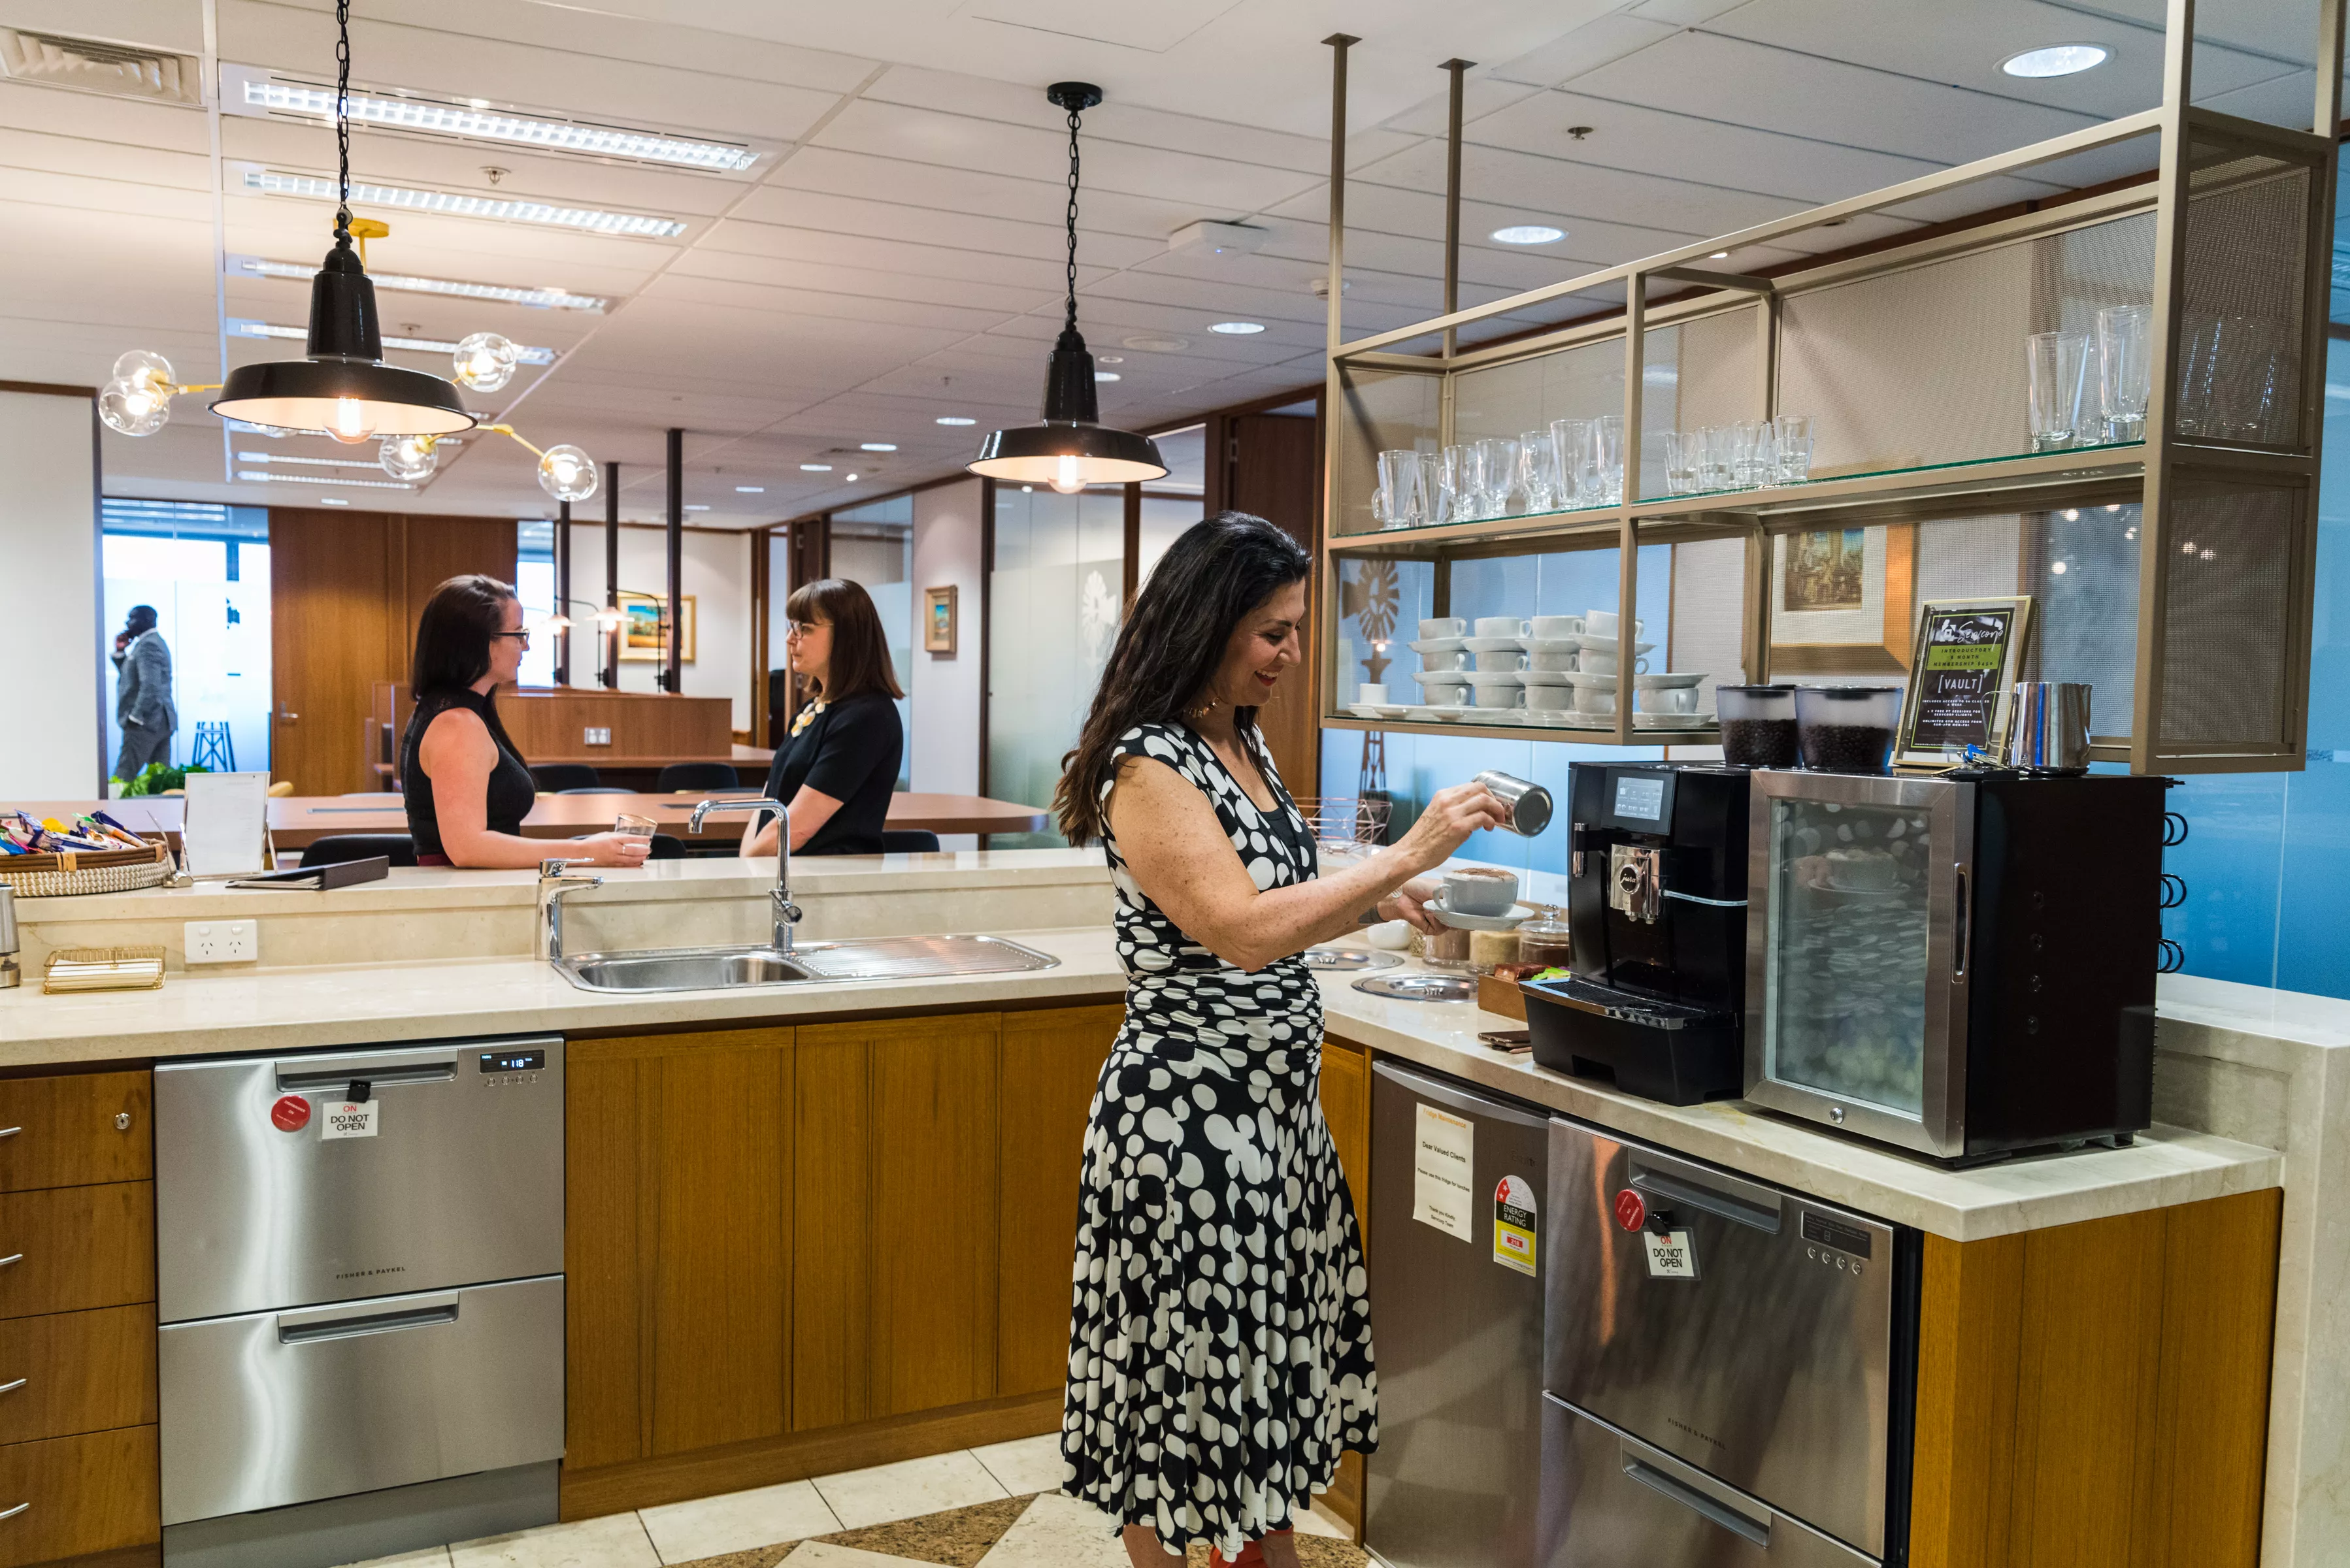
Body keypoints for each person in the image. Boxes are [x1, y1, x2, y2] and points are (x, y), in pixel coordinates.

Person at [1051, 512, 1509, 1565]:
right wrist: (1402, 856)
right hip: (1188, 1140)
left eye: (1297, 629)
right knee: (1179, 1413)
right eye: (1273, 631)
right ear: (1208, 624)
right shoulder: (1148, 765)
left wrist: (1380, 905)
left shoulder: (1238, 739)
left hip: (1272, 1131)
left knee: (1249, 1409)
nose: (1292, 653)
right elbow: (1242, 932)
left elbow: (1275, 904)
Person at [402, 575, 648, 870]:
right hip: (463, 899)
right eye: (518, 634)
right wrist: (586, 852)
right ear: (481, 642)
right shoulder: (457, 724)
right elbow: (468, 847)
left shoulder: (454, 710)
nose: (525, 646)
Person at [742, 578, 904, 858]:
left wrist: (743, 870)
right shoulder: (812, 710)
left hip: (830, 884)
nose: (790, 638)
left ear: (846, 635)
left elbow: (798, 828)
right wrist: (744, 862)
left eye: (804, 628)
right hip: (786, 875)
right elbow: (768, 806)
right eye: (792, 626)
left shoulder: (867, 717)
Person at [111, 604, 176, 783]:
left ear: (146, 621)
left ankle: (111, 812)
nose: (127, 622)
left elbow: (151, 687)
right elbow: (133, 678)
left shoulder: (149, 645)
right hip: (159, 721)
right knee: (160, 780)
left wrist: (135, 717)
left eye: (132, 618)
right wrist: (120, 652)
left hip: (147, 722)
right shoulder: (150, 643)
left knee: (123, 776)